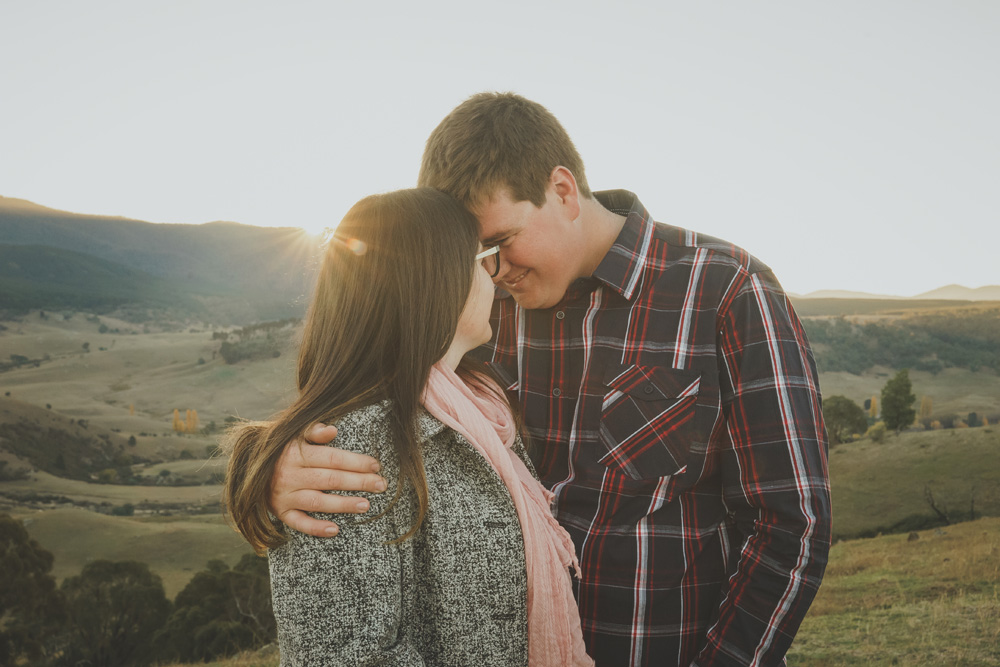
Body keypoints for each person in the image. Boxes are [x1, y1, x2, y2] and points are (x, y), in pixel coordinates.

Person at [267, 94, 833, 666]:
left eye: (502, 240)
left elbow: (789, 524)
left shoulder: (724, 290)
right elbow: (366, 397)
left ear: (562, 191)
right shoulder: (477, 312)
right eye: (475, 254)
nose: (495, 268)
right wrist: (274, 466)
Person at [223, 188, 593, 666]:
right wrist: (259, 462)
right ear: (434, 280)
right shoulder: (349, 449)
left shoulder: (483, 409)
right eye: (481, 262)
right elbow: (345, 656)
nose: (495, 281)